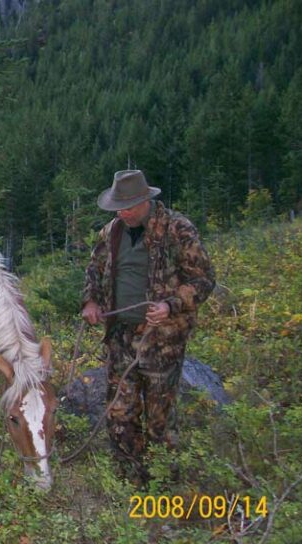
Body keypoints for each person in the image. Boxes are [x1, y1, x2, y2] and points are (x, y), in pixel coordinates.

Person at [81, 169, 215, 482]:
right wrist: (90, 302)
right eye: (119, 207)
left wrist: (171, 305)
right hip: (121, 339)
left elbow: (204, 280)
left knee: (160, 421)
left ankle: (165, 487)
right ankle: (129, 483)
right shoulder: (112, 232)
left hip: (162, 341)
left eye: (128, 206)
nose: (123, 212)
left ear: (145, 201)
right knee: (120, 415)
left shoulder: (177, 230)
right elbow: (93, 270)